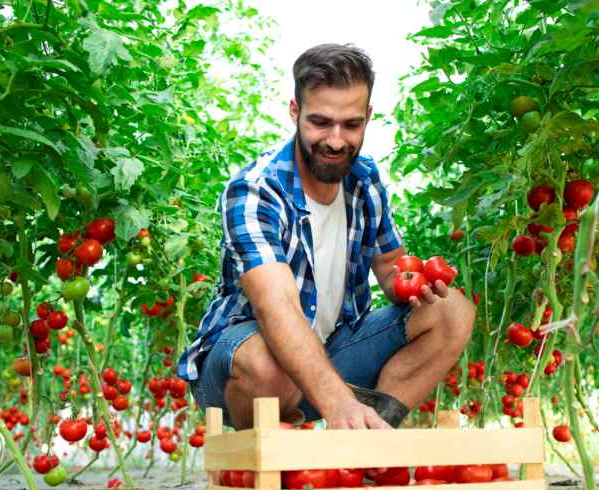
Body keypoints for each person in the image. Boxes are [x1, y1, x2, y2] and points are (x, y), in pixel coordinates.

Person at [178, 43, 475, 430]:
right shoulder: (256, 190)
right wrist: (338, 403)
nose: (336, 141)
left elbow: (390, 265)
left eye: (351, 125)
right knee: (267, 362)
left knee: (453, 311)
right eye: (320, 122)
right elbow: (275, 305)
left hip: (332, 353)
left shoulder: (365, 181)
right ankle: (269, 459)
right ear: (295, 112)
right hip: (242, 364)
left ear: (368, 117)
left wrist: (417, 288)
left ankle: (368, 444)